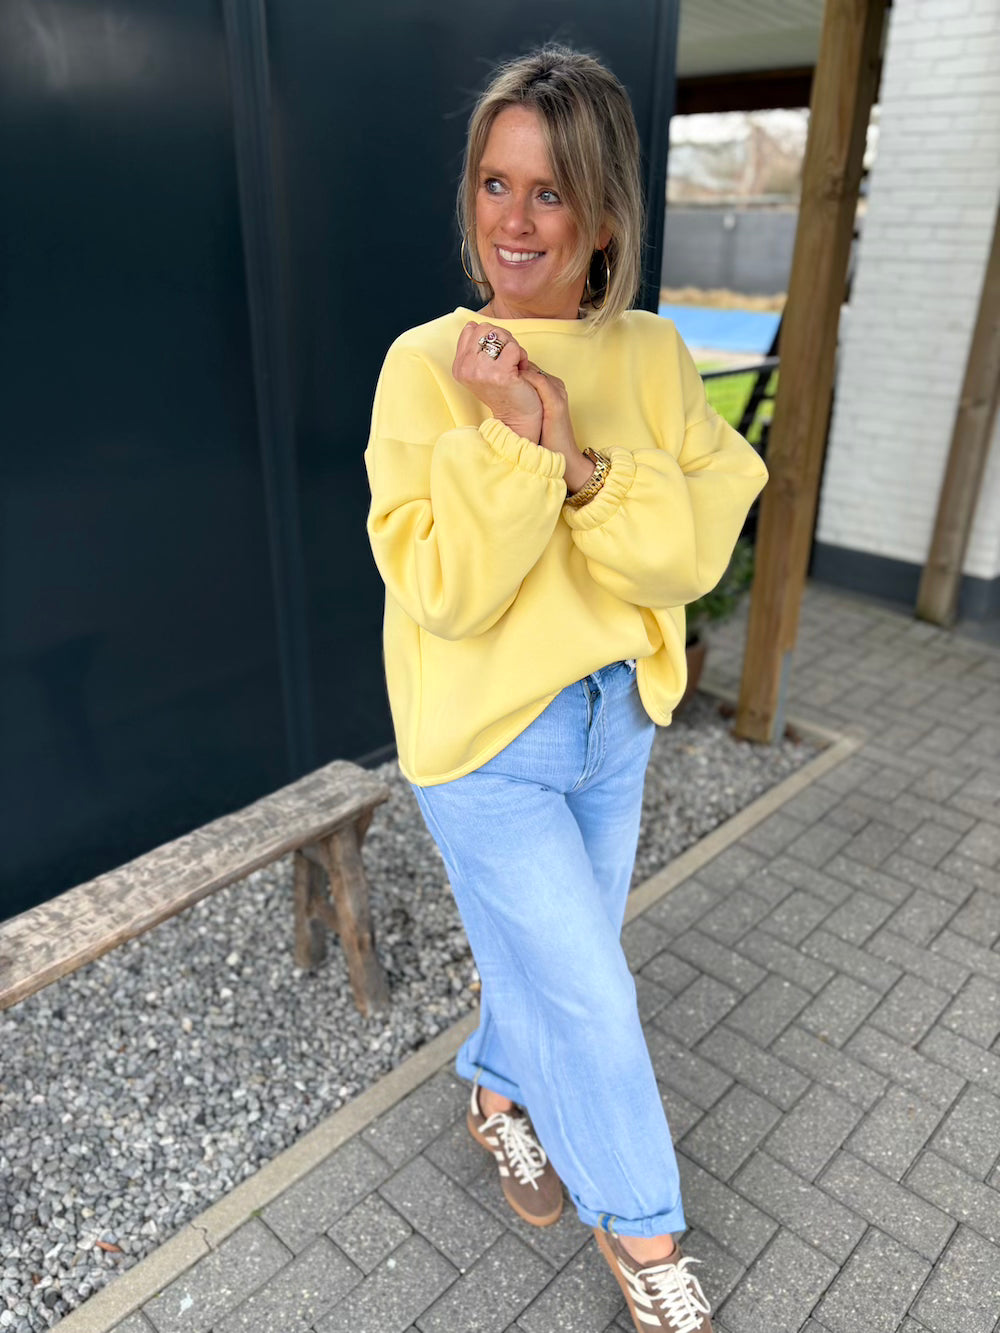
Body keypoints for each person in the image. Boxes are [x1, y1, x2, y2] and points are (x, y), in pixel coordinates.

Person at [364, 44, 767, 1333]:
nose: (516, 220)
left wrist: (575, 458)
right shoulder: (425, 365)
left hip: (614, 722)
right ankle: (646, 1235)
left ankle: (496, 1095)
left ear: (603, 215)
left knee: (550, 967)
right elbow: (447, 589)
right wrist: (504, 435)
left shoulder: (653, 354)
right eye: (496, 183)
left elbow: (686, 557)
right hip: (484, 741)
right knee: (591, 994)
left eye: (551, 192)